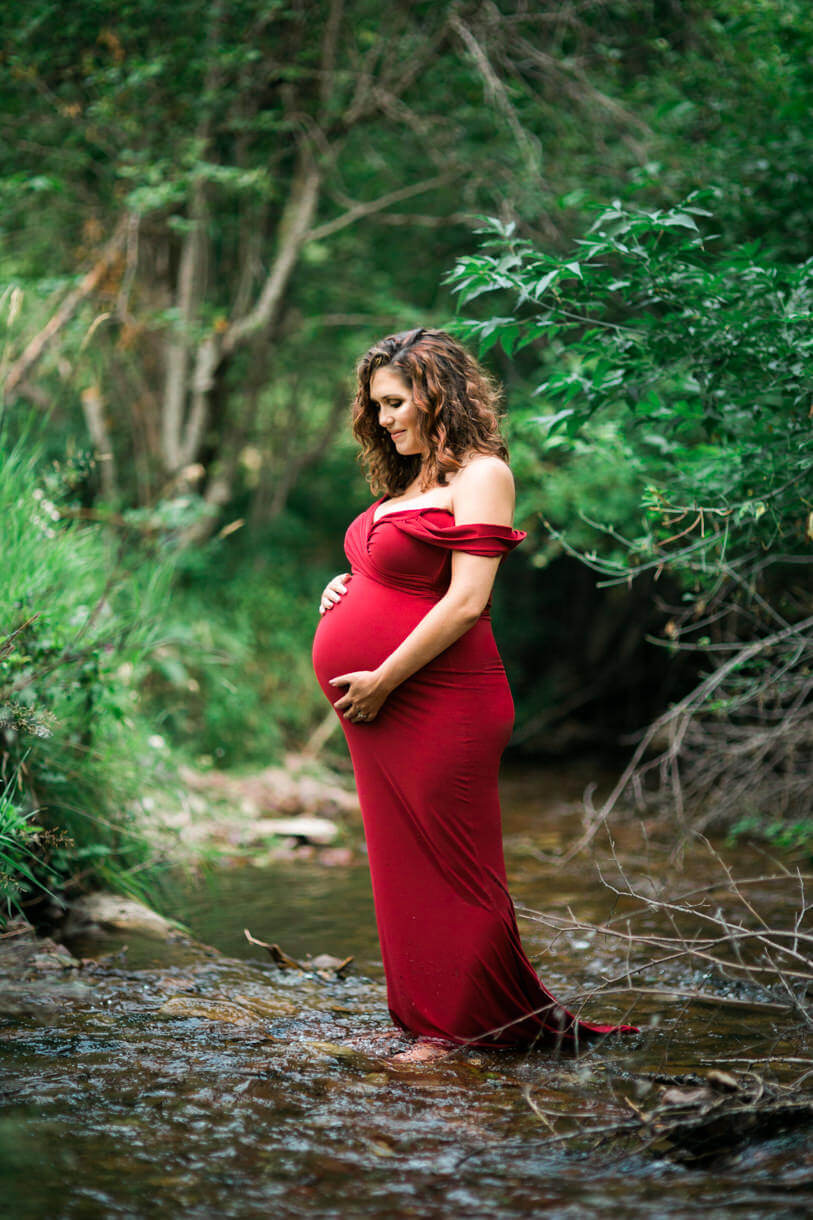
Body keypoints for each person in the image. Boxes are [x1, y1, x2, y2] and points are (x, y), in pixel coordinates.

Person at [311, 327, 637, 1063]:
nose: (384, 419)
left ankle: (469, 1028)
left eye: (395, 403)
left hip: (438, 699)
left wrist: (382, 679)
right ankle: (428, 1017)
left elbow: (463, 604)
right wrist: (349, 585)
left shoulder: (482, 474)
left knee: (457, 866)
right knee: (401, 865)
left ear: (436, 395)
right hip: (378, 706)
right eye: (376, 407)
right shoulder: (408, 484)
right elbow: (403, 574)